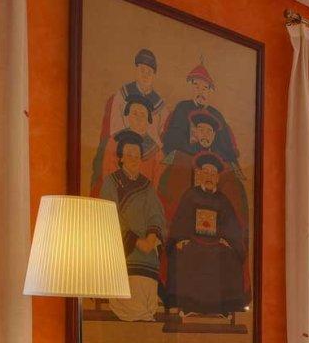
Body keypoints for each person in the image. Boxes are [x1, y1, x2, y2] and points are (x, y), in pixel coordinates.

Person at [163, 152, 249, 317]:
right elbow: (180, 221)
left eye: (213, 173)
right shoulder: (190, 195)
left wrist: (230, 242)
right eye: (206, 172)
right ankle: (188, 306)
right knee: (182, 253)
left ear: (217, 178)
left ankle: (221, 308)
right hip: (193, 243)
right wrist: (180, 239)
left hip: (217, 245)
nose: (209, 176)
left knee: (230, 256)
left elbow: (232, 227)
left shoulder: (223, 200)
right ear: (200, 175)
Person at [99, 130, 168, 322]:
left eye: (137, 155)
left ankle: (147, 311)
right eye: (129, 155)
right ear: (121, 158)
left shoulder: (146, 185)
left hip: (147, 245)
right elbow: (109, 215)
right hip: (122, 245)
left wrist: (151, 238)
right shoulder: (111, 183)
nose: (133, 159)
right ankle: (133, 313)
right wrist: (136, 241)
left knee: (149, 263)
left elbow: (156, 214)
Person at [90, 48, 164, 195]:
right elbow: (108, 178)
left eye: (142, 115)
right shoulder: (114, 143)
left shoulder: (156, 152)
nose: (138, 118)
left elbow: (156, 186)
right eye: (134, 113)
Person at [157, 108, 248, 225]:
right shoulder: (179, 156)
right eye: (201, 129)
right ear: (195, 132)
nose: (205, 134)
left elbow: (236, 202)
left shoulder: (225, 164)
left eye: (209, 131)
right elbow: (166, 191)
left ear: (214, 135)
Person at [159, 60, 241, 174]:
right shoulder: (182, 108)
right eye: (197, 87)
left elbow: (224, 145)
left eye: (205, 88)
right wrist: (196, 150)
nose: (200, 92)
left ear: (210, 91)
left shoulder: (216, 115)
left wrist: (210, 156)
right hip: (186, 159)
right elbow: (174, 138)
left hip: (212, 164)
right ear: (191, 88)